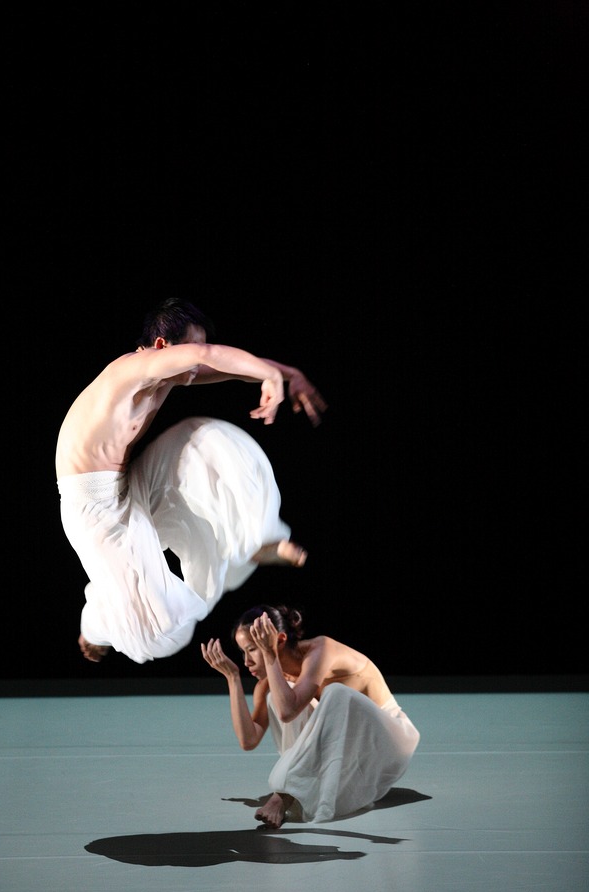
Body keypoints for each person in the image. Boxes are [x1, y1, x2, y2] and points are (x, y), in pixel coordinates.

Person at [56, 298, 327, 666]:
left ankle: (254, 539)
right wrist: (269, 377)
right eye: (190, 352)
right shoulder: (133, 367)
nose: (196, 367)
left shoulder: (168, 375)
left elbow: (224, 367)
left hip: (129, 483)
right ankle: (95, 623)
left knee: (206, 442)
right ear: (162, 346)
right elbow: (207, 354)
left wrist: (287, 374)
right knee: (166, 627)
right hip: (91, 508)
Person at [201, 603, 420, 828]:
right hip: (353, 757)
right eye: (243, 652)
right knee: (277, 696)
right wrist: (233, 678)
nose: (247, 661)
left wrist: (269, 653)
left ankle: (283, 795)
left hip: (390, 743)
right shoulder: (268, 684)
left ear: (279, 640)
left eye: (252, 649)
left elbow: (287, 711)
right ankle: (295, 790)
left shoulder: (321, 649)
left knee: (335, 693)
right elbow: (249, 740)